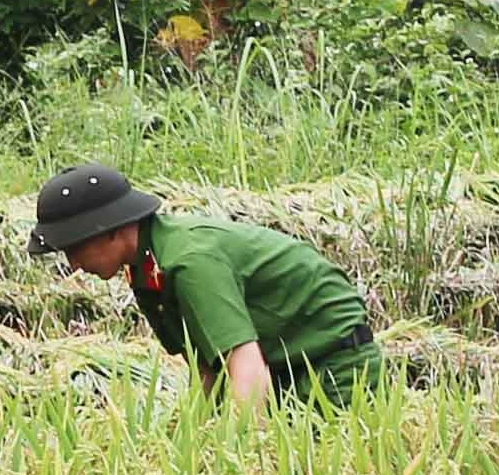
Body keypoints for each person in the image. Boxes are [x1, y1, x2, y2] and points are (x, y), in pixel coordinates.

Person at [25, 162, 381, 403]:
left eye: (75, 247)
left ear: (111, 230)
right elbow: (209, 367)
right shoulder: (147, 268)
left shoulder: (189, 261)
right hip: (282, 367)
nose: (73, 264)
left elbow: (244, 363)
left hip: (336, 366)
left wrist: (242, 468)